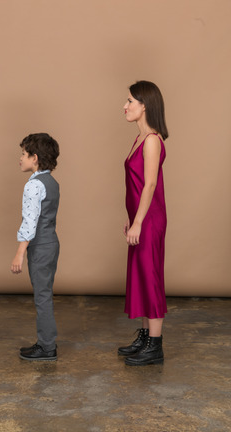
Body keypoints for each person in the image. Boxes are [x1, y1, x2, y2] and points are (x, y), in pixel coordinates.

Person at [118, 81, 168, 366]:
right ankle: (147, 336)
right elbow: (136, 186)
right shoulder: (140, 139)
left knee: (150, 276)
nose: (125, 107)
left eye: (129, 101)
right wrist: (131, 219)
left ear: (144, 105)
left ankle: (155, 346)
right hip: (140, 218)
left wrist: (138, 222)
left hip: (149, 219)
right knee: (140, 275)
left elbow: (149, 186)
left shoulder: (151, 140)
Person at [11, 133, 60, 361]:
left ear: (35, 158)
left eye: (24, 154)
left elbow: (30, 222)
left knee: (42, 296)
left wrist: (20, 253)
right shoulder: (51, 182)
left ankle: (47, 347)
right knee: (44, 294)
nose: (20, 158)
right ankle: (45, 343)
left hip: (40, 246)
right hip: (51, 243)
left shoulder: (33, 186)